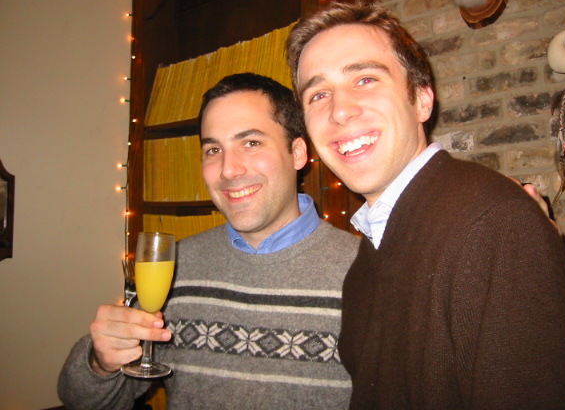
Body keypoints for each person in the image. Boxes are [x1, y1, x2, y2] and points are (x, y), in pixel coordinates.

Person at [286, 1, 565, 409]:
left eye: (365, 79)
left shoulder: (494, 223)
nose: (339, 111)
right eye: (318, 94)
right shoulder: (372, 249)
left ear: (421, 100)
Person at [58, 73, 359, 409]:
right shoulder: (174, 267)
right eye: (213, 149)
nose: (228, 170)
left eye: (251, 143)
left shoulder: (366, 272)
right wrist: (100, 363)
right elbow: (85, 401)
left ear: (298, 153)